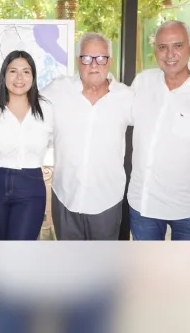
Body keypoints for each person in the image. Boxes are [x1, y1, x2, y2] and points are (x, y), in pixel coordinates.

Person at [42, 33, 133, 240]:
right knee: (71, 266)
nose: (94, 65)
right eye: (86, 58)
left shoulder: (126, 97)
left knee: (102, 265)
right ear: (78, 61)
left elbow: (153, 123)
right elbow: (26, 105)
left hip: (106, 200)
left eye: (101, 58)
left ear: (110, 61)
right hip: (66, 196)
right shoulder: (58, 90)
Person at [129, 19, 190, 240]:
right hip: (144, 205)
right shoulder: (143, 82)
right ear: (155, 51)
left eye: (178, 46)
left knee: (189, 272)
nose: (170, 53)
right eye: (162, 47)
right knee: (148, 272)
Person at [0, 50, 53, 241]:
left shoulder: (47, 109)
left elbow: (56, 140)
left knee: (19, 249)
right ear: (4, 75)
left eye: (26, 72)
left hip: (31, 186)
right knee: (1, 248)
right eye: (13, 71)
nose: (19, 77)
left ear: (33, 77)